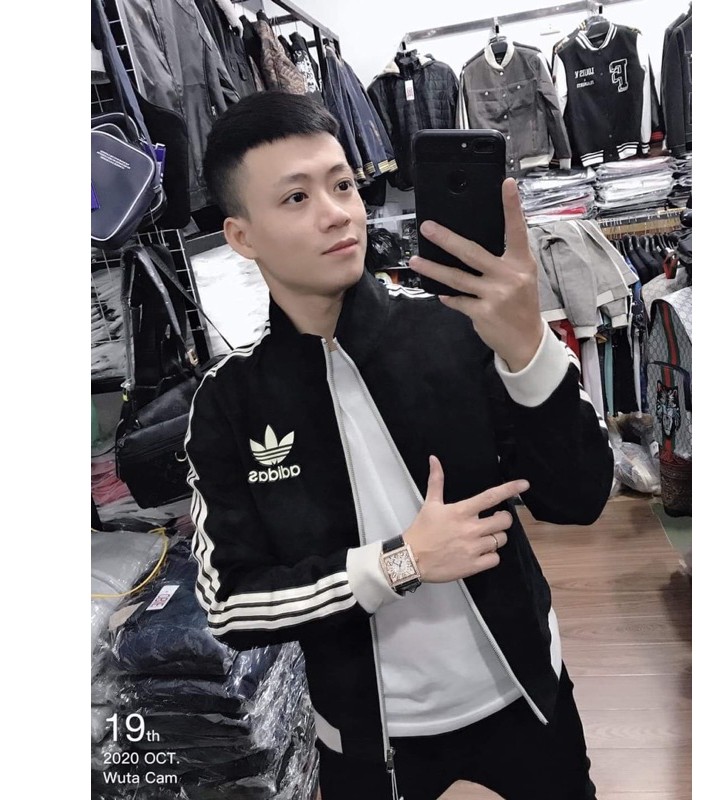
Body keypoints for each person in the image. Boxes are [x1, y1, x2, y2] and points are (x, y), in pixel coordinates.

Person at [186, 90, 613, 800]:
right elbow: (229, 604)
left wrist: (529, 348)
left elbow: (581, 498)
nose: (336, 213)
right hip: (365, 734)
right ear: (241, 236)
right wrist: (397, 564)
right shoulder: (230, 402)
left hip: (526, 691)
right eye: (296, 198)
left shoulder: (456, 327)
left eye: (342, 184)